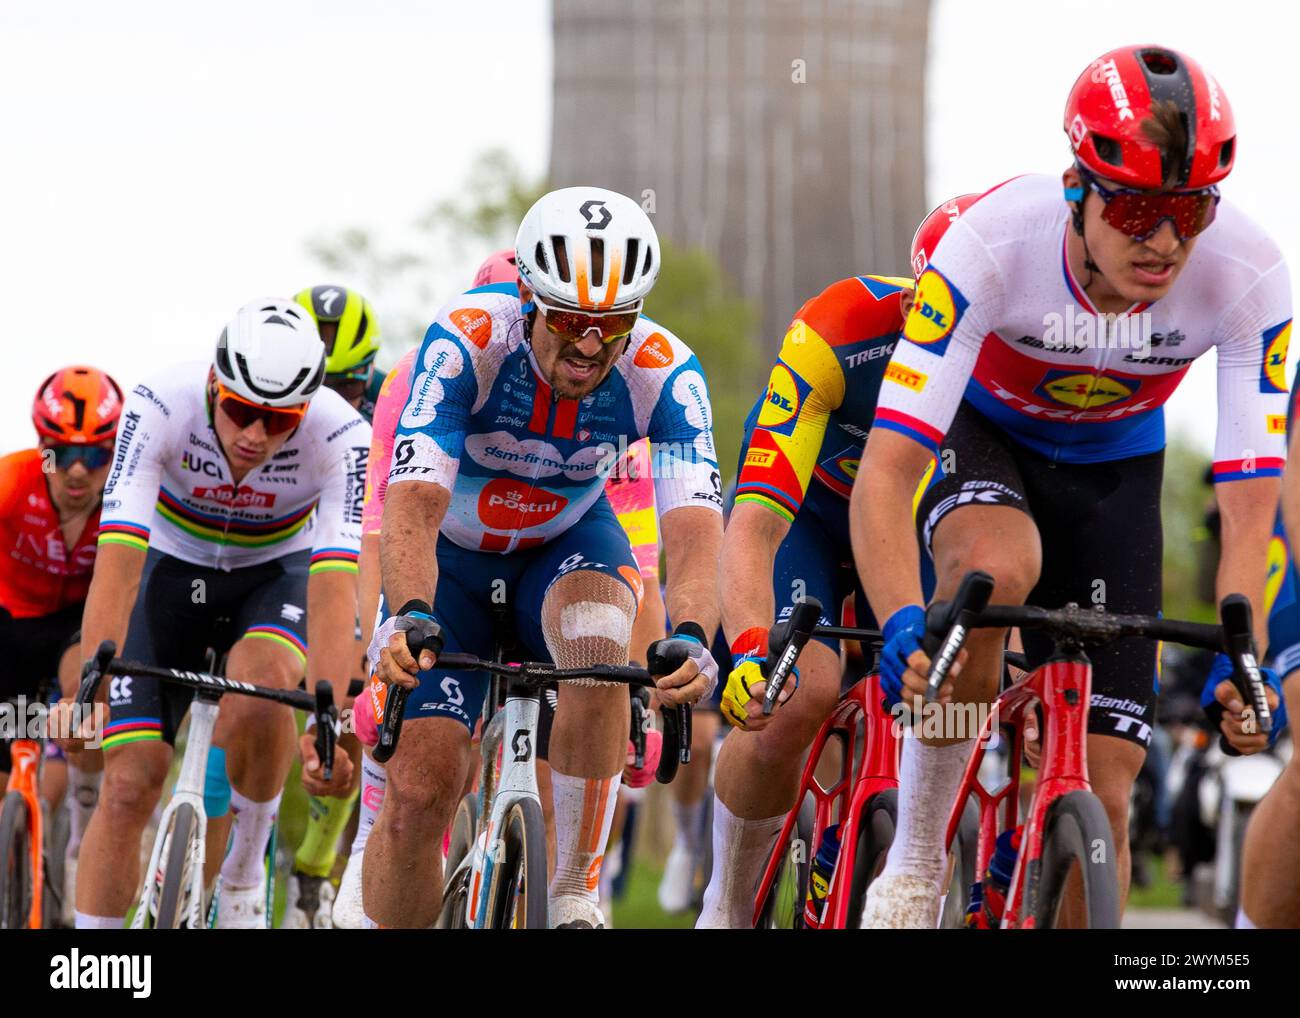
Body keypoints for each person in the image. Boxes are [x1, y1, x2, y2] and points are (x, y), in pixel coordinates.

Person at [852, 44, 1288, 928]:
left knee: (1111, 789)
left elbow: (1249, 511)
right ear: (1076, 188)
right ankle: (917, 856)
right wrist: (902, 615)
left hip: (1115, 470)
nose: (1165, 242)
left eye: (1191, 210)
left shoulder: (1251, 273)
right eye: (1136, 209)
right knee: (997, 565)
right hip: (985, 439)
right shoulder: (989, 245)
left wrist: (1240, 658)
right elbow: (885, 472)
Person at [365, 188, 724, 929]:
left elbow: (692, 528)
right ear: (527, 296)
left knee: (597, 644)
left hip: (567, 544)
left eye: (612, 325)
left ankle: (572, 895)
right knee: (417, 795)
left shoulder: (668, 370)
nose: (591, 346)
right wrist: (407, 615)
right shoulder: (466, 339)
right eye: (568, 321)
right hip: (455, 562)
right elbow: (413, 504)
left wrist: (691, 633)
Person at [692, 196, 975, 928]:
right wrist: (753, 650)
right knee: (797, 695)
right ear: (913, 294)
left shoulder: (1005, 363)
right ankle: (725, 902)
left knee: (953, 693)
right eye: (930, 313)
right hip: (809, 522)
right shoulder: (836, 330)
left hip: (913, 528)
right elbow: (752, 527)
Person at [60, 300, 370, 929]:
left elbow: (337, 585)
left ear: (307, 408)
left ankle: (244, 874)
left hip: (272, 574)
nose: (255, 434)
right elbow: (118, 554)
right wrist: (91, 685)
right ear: (213, 384)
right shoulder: (159, 403)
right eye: (240, 411)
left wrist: (330, 722)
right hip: (169, 572)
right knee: (128, 784)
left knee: (261, 693)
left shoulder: (343, 437)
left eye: (279, 419)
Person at [278, 283, 383, 927]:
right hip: (282, 557)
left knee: (347, 713)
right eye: (313, 386)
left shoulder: (384, 417)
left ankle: (315, 868)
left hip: (347, 561)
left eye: (344, 389)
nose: (328, 407)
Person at [1, 366, 122, 920]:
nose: (77, 471)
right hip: (10, 618)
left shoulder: (127, 497)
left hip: (77, 626)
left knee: (89, 688)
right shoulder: (12, 480)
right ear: (40, 447)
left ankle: (85, 805)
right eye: (60, 454)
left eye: (96, 456)